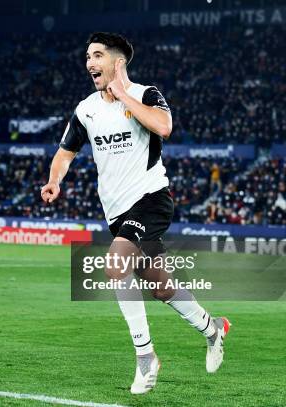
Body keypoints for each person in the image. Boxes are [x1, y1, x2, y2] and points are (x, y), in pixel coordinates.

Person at [40, 32, 230, 394]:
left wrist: (124, 95)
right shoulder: (85, 109)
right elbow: (65, 153)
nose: (89, 63)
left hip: (151, 198)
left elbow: (164, 127)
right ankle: (213, 328)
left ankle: (145, 357)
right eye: (87, 56)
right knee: (160, 287)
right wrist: (55, 181)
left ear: (118, 62)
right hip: (116, 212)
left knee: (115, 265)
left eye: (97, 55)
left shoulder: (146, 94)